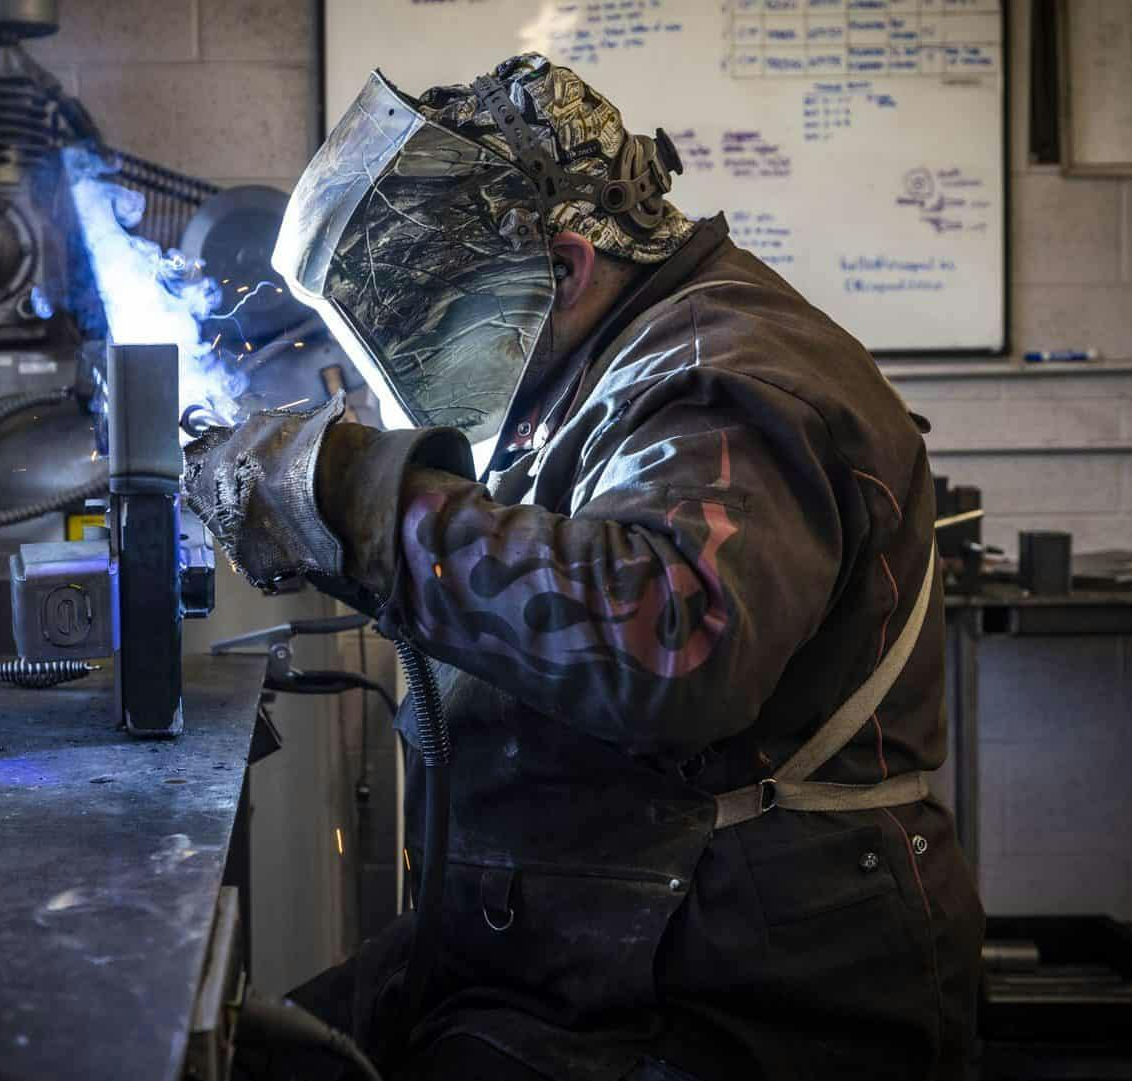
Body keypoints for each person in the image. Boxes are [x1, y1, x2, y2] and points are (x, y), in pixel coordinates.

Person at [184, 54, 982, 1081]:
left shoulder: (723, 376)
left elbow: (668, 641)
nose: (408, 379)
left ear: (562, 269)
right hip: (604, 933)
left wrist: (351, 498)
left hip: (751, 985)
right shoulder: (616, 362)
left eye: (432, 333)